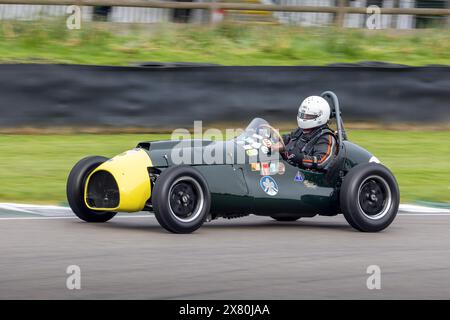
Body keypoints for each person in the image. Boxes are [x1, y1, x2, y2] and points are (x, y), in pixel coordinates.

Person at [274, 96, 337, 170]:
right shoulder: (301, 130)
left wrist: (300, 158)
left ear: (320, 116)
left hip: (308, 178)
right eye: (302, 115)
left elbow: (321, 161)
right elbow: (288, 139)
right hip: (290, 169)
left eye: (308, 116)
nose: (303, 118)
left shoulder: (326, 137)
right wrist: (275, 141)